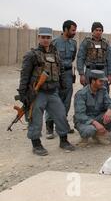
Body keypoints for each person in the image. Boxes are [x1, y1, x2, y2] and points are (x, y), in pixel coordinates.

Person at [18, 27, 75, 156]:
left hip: (53, 92)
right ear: (38, 38)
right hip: (38, 92)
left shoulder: (55, 54)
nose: (45, 40)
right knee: (36, 118)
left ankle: (64, 140)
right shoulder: (31, 55)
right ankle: (36, 144)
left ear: (51, 38)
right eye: (43, 37)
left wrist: (63, 85)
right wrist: (23, 93)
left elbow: (60, 71)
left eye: (48, 37)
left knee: (60, 115)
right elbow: (25, 75)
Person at [45, 20, 77, 139]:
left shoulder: (73, 43)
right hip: (56, 75)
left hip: (68, 74)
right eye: (73, 30)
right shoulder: (54, 43)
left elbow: (72, 57)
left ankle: (63, 124)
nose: (74, 32)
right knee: (53, 98)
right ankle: (49, 126)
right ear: (65, 29)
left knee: (66, 100)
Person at [74, 70, 111, 147]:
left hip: (97, 117)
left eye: (103, 81)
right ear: (93, 81)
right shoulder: (81, 94)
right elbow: (80, 115)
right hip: (84, 121)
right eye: (100, 81)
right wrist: (95, 123)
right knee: (90, 130)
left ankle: (98, 135)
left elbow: (110, 103)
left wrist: (109, 110)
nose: (103, 83)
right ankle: (84, 137)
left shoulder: (103, 90)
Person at [76, 22, 111, 87]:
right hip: (90, 71)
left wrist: (109, 74)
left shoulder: (106, 43)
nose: (98, 32)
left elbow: (109, 59)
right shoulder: (86, 42)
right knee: (89, 91)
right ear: (92, 31)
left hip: (103, 71)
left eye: (100, 30)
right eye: (96, 30)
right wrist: (81, 74)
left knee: (103, 91)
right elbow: (80, 58)